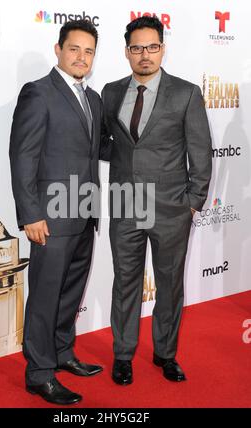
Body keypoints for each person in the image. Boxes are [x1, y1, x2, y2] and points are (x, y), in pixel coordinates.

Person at [101, 16, 212, 385]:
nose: (144, 55)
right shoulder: (111, 92)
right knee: (125, 283)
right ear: (127, 51)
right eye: (137, 48)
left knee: (169, 285)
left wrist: (192, 202)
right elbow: (105, 142)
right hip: (125, 207)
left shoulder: (186, 93)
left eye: (151, 47)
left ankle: (165, 353)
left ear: (162, 48)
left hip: (170, 210)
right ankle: (123, 355)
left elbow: (201, 152)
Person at [9, 20, 103, 405]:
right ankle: (39, 373)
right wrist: (31, 213)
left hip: (84, 214)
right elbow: (23, 156)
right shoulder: (38, 93)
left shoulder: (93, 99)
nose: (82, 57)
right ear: (58, 50)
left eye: (89, 51)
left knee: (69, 293)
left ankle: (63, 353)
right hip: (49, 218)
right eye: (74, 49)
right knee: (46, 296)